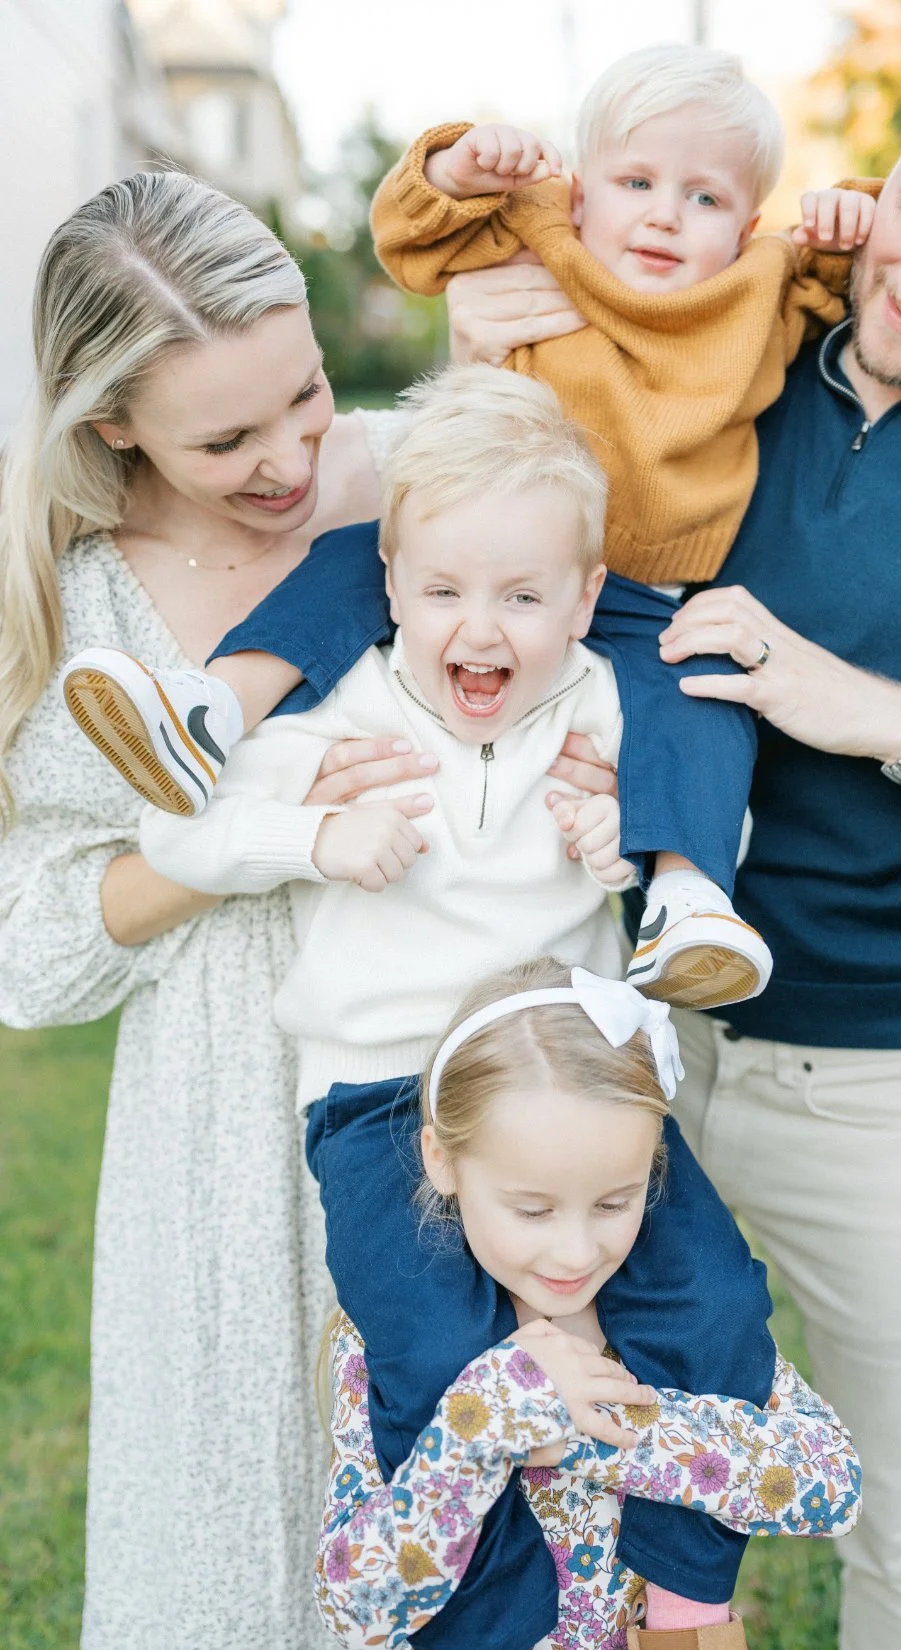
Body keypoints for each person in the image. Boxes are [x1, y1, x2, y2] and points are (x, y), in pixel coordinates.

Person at [445, 2, 901, 1646]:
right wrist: (495, 371)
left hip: (885, 1100)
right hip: (611, 1043)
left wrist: (889, 721)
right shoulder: (716, 340)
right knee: (556, 1479)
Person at [137, 366, 784, 1648]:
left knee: (710, 1304)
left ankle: (682, 1597)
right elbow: (179, 830)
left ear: (586, 600)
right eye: (441, 590)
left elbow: (725, 814)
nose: (474, 629)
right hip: (382, 1100)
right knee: (433, 1357)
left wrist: (628, 830)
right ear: (388, 583)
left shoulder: (600, 711)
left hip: (573, 1087)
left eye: (521, 596)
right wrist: (316, 835)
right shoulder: (341, 714)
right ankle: (490, 1626)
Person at [59, 43, 876, 1011]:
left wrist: (847, 212)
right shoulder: (546, 241)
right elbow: (413, 236)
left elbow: (856, 278)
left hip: (636, 589)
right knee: (346, 564)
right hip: (488, 550)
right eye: (635, 181)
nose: (663, 212)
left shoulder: (759, 285)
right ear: (578, 190)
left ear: (746, 224)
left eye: (704, 199)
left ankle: (688, 898)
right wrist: (455, 166)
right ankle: (208, 712)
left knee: (699, 699)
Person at [0, 170, 485, 1650]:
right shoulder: (79, 614)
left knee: (457, 1529)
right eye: (226, 436)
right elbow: (32, 957)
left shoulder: (419, 493)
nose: (288, 457)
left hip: (443, 1095)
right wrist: (240, 841)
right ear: (112, 424)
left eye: (309, 395)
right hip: (214, 1142)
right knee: (223, 1544)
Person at [312, 956, 863, 1650]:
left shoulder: (666, 1326)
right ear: (443, 1161)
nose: (575, 1254)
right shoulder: (384, 1341)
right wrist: (483, 1422)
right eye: (533, 1210)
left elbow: (831, 1480)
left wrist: (572, 1430)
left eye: (613, 1203)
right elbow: (354, 1608)